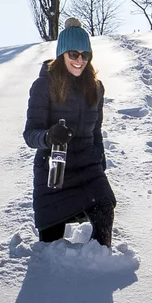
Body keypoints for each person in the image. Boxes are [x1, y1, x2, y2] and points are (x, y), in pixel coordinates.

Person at [22, 17, 115, 247]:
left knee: (105, 209)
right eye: (73, 54)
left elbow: (96, 132)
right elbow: (30, 134)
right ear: (62, 53)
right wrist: (48, 136)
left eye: (85, 55)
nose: (80, 60)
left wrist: (100, 163)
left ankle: (98, 272)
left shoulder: (96, 87)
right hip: (54, 171)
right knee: (51, 247)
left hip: (88, 169)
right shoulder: (43, 86)